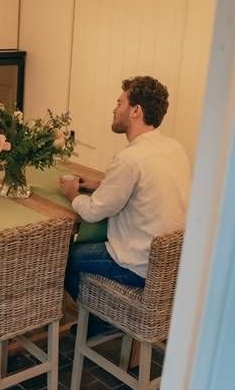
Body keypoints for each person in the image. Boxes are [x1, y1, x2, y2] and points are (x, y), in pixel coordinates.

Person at [59, 75, 191, 305]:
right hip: (169, 264)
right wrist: (103, 184)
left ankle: (100, 317)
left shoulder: (129, 159)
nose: (114, 109)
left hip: (136, 265)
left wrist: (72, 193)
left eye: (119, 103)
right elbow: (146, 188)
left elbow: (92, 212)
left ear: (135, 111)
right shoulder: (174, 148)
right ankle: (100, 315)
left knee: (63, 258)